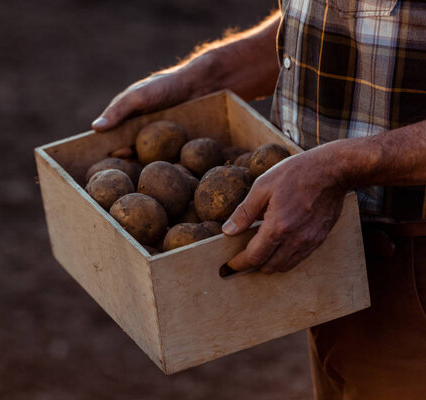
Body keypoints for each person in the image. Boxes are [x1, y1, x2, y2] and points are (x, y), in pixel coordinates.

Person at [92, 2, 426, 399]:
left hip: (414, 271)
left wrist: (340, 166)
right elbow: (332, 33)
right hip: (326, 250)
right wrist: (205, 76)